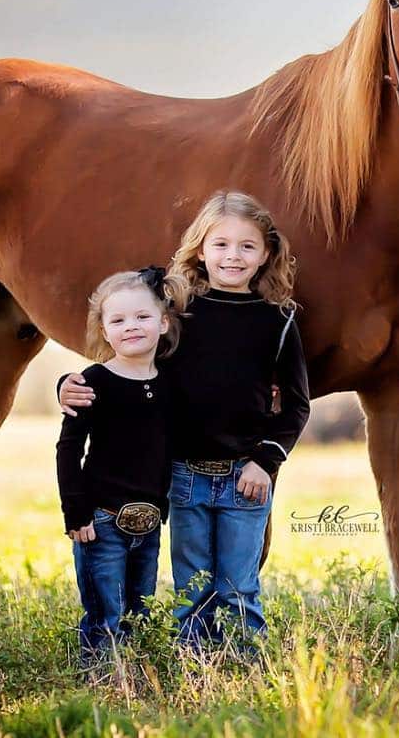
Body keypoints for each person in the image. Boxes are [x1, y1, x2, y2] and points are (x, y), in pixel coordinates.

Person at [59, 190, 310, 649]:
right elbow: (129, 364)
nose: (233, 256)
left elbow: (296, 404)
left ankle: (241, 664)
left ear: (266, 254)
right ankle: (195, 661)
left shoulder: (279, 320)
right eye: (221, 245)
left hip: (246, 477)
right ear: (199, 248)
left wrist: (266, 461)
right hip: (184, 476)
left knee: (239, 586)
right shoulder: (177, 316)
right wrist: (68, 383)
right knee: (192, 587)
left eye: (247, 246)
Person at [56, 268, 177, 667]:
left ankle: (135, 681)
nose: (131, 327)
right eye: (118, 320)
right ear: (104, 331)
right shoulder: (93, 381)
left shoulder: (171, 384)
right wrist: (76, 512)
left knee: (139, 613)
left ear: (163, 322)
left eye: (142, 317)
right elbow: (68, 449)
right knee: (105, 615)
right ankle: (101, 681)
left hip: (148, 526)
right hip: (101, 523)